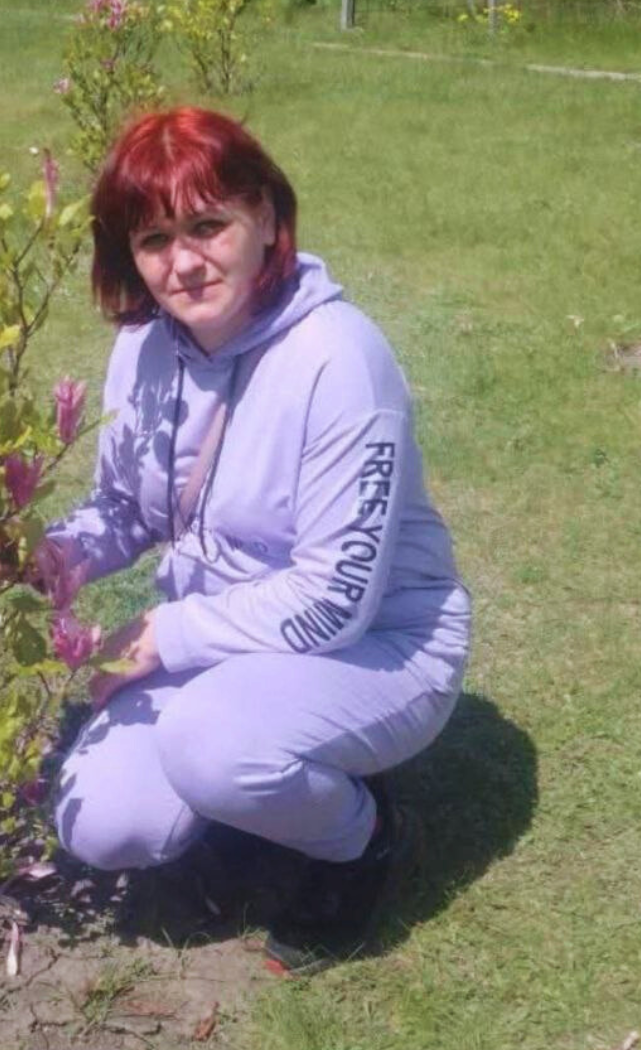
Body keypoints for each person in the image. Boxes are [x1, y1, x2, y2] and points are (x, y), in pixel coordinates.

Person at [41, 107, 473, 976]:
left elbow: (335, 600)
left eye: (208, 226)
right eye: (155, 239)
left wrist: (166, 634)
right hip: (228, 642)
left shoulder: (340, 360)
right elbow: (124, 505)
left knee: (213, 744)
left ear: (267, 218)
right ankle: (268, 788)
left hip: (383, 644)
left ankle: (366, 838)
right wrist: (53, 556)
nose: (183, 263)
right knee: (103, 823)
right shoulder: (143, 348)